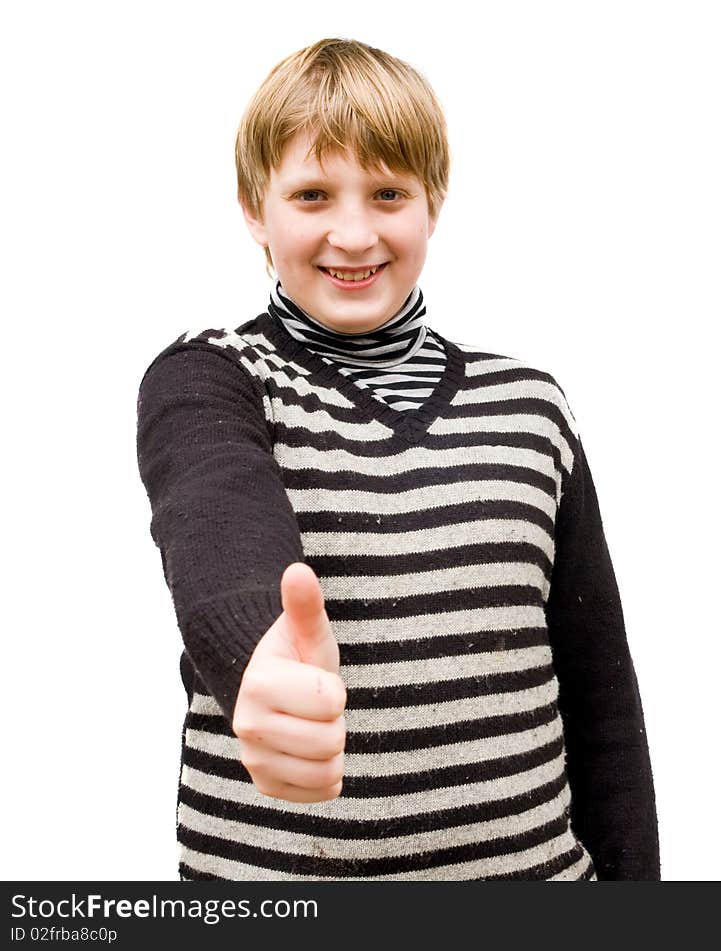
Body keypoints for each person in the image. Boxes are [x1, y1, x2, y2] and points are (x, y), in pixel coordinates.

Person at [136, 36, 660, 882]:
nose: (353, 233)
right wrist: (255, 655)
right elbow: (215, 522)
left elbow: (601, 699)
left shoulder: (531, 406)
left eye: (387, 193)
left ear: (433, 200)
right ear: (252, 207)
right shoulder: (214, 379)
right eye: (312, 194)